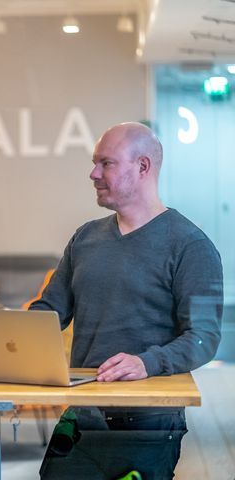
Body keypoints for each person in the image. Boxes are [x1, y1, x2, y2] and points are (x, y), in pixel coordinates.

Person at [30, 122, 223, 479]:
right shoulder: (85, 237)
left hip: (147, 423)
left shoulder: (191, 246)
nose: (93, 173)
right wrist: (11, 334)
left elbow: (204, 337)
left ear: (143, 167)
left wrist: (147, 362)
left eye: (106, 163)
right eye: (94, 162)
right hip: (81, 414)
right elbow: (49, 311)